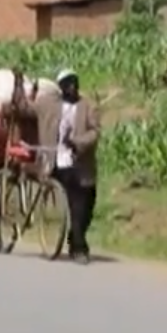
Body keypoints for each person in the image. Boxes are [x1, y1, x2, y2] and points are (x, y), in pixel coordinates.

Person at [45, 70, 101, 262]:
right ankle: (79, 248)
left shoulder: (87, 106)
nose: (73, 86)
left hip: (81, 161)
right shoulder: (51, 106)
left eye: (75, 82)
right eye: (68, 83)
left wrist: (77, 142)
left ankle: (75, 236)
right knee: (76, 204)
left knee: (88, 205)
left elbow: (94, 132)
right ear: (60, 88)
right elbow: (28, 109)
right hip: (60, 163)